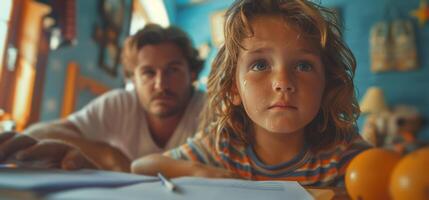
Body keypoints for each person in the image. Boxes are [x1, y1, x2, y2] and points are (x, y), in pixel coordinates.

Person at [131, 0, 372, 187]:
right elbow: (141, 166)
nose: (282, 83)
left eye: (303, 66)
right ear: (234, 89)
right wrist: (201, 172)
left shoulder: (342, 152)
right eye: (260, 65)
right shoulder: (223, 148)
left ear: (326, 84)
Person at [0, 24, 205, 172]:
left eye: (173, 70)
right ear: (132, 78)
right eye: (148, 73)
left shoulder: (212, 108)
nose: (161, 84)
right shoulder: (119, 103)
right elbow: (38, 132)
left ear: (192, 73)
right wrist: (109, 155)